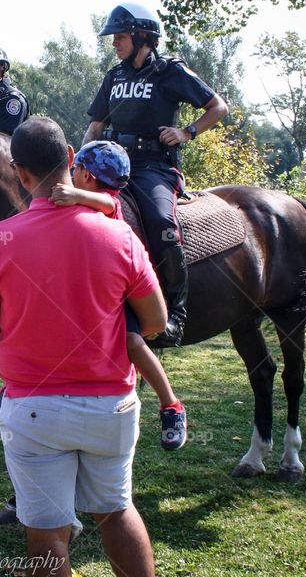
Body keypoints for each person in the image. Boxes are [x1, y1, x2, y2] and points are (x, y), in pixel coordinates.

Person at [0, 117, 165, 577]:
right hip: (111, 405)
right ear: (71, 157)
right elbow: (154, 320)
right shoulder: (120, 235)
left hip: (34, 408)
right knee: (116, 510)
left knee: (48, 531)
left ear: (21, 172)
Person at [84, 3, 229, 346]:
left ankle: (175, 314)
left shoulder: (169, 72)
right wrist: (81, 158)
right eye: (114, 37)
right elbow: (96, 124)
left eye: (120, 37)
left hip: (154, 168)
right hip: (112, 164)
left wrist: (187, 132)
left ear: (142, 37)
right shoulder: (114, 76)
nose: (114, 44)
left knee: (162, 223)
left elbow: (218, 107)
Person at [51, 140, 187, 450]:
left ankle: (171, 405)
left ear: (85, 174)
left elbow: (106, 205)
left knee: (132, 342)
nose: (71, 176)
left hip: (116, 296)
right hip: (91, 289)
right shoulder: (94, 196)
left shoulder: (110, 201)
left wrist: (75, 195)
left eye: (76, 171)